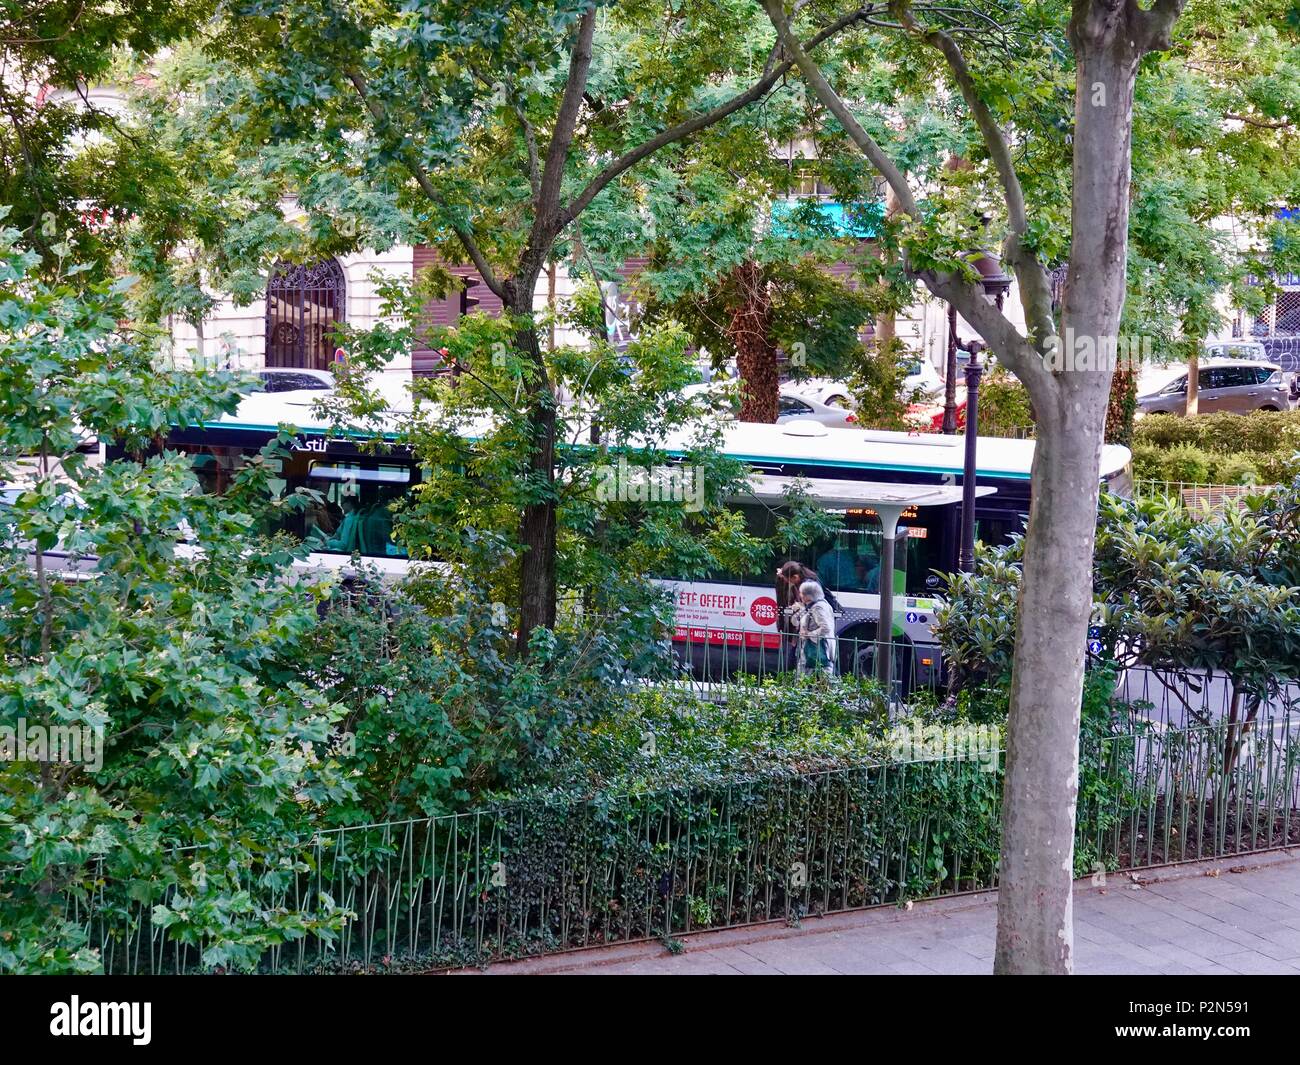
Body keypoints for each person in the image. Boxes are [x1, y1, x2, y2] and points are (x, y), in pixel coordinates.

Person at [796, 580, 837, 679]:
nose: (800, 595)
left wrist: (809, 634)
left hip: (817, 647)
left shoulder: (818, 608)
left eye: (801, 593)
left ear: (808, 596)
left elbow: (826, 628)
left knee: (811, 676)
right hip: (817, 648)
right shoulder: (818, 605)